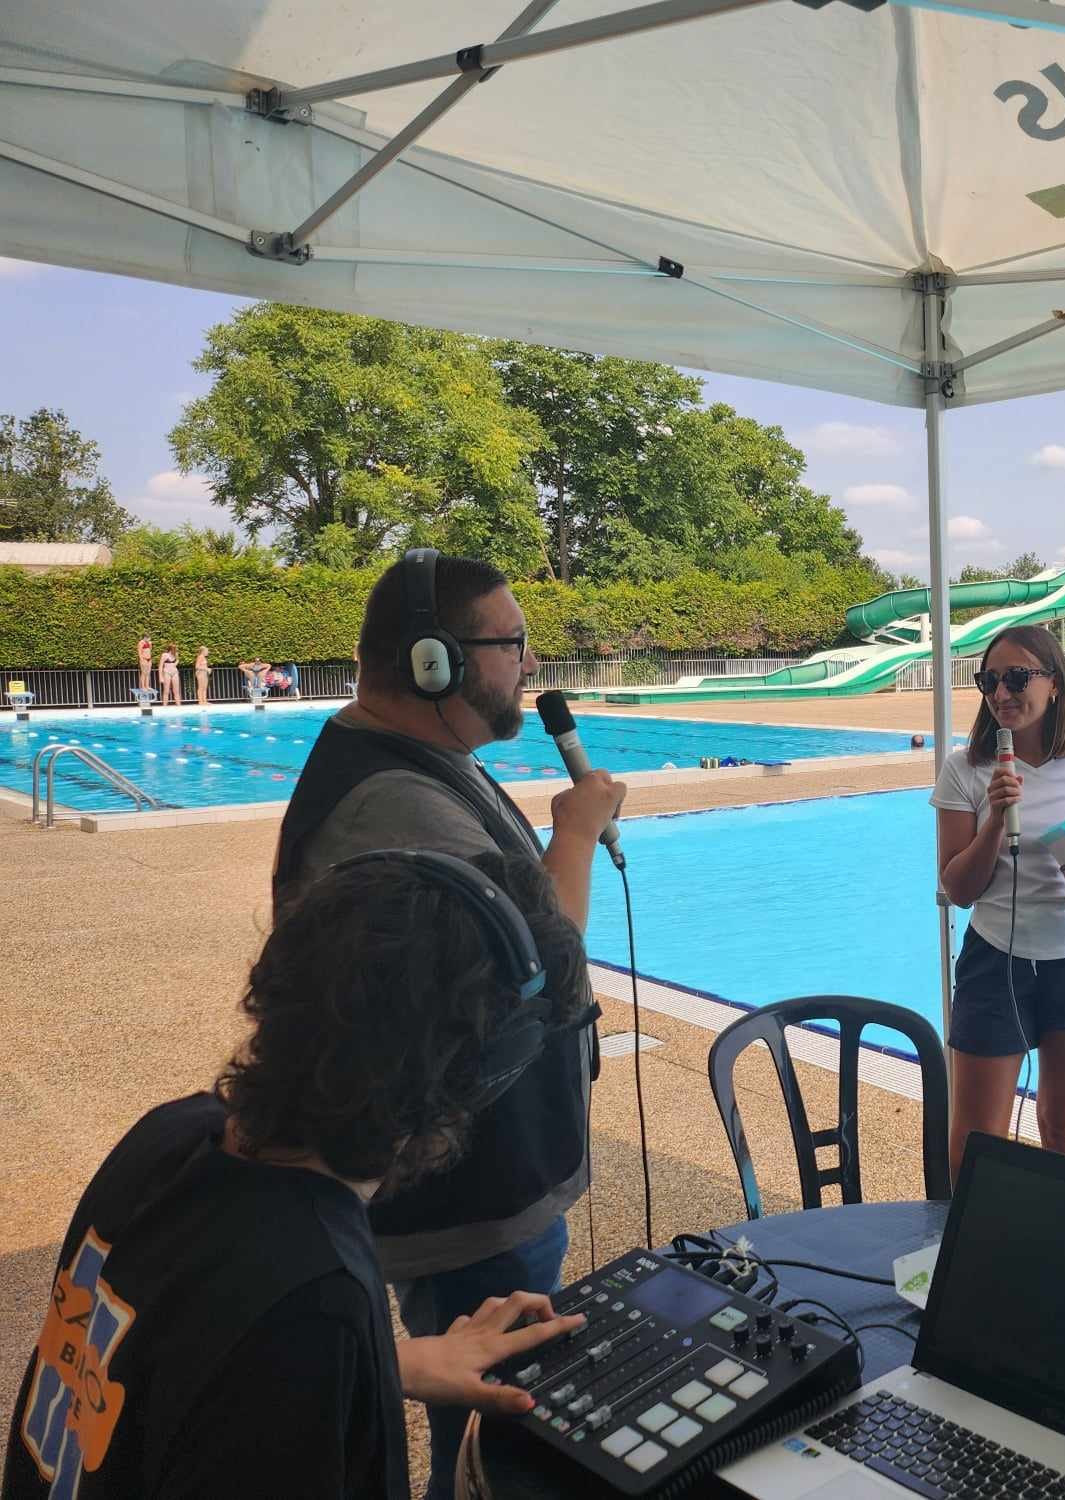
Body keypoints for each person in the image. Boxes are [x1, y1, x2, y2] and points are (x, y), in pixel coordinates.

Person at [4, 850, 591, 1499]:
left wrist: (379, 1365)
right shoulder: (312, 1300)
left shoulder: (168, 1136)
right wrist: (325, 1360)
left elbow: (175, 1371)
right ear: (478, 1076)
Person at [273, 549, 624, 1500]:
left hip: (489, 1182)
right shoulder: (395, 799)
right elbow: (546, 966)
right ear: (435, 662)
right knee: (490, 1452)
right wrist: (578, 835)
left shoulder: (424, 760)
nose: (529, 663)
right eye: (511, 643)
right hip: (469, 1205)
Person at [931, 625, 1065, 1180]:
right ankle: (977, 1257)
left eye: (1018, 677)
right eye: (989, 680)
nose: (1001, 692)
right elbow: (957, 888)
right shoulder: (965, 770)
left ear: (1054, 684)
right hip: (995, 960)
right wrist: (994, 822)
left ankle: (1057, 1257)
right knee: (977, 1140)